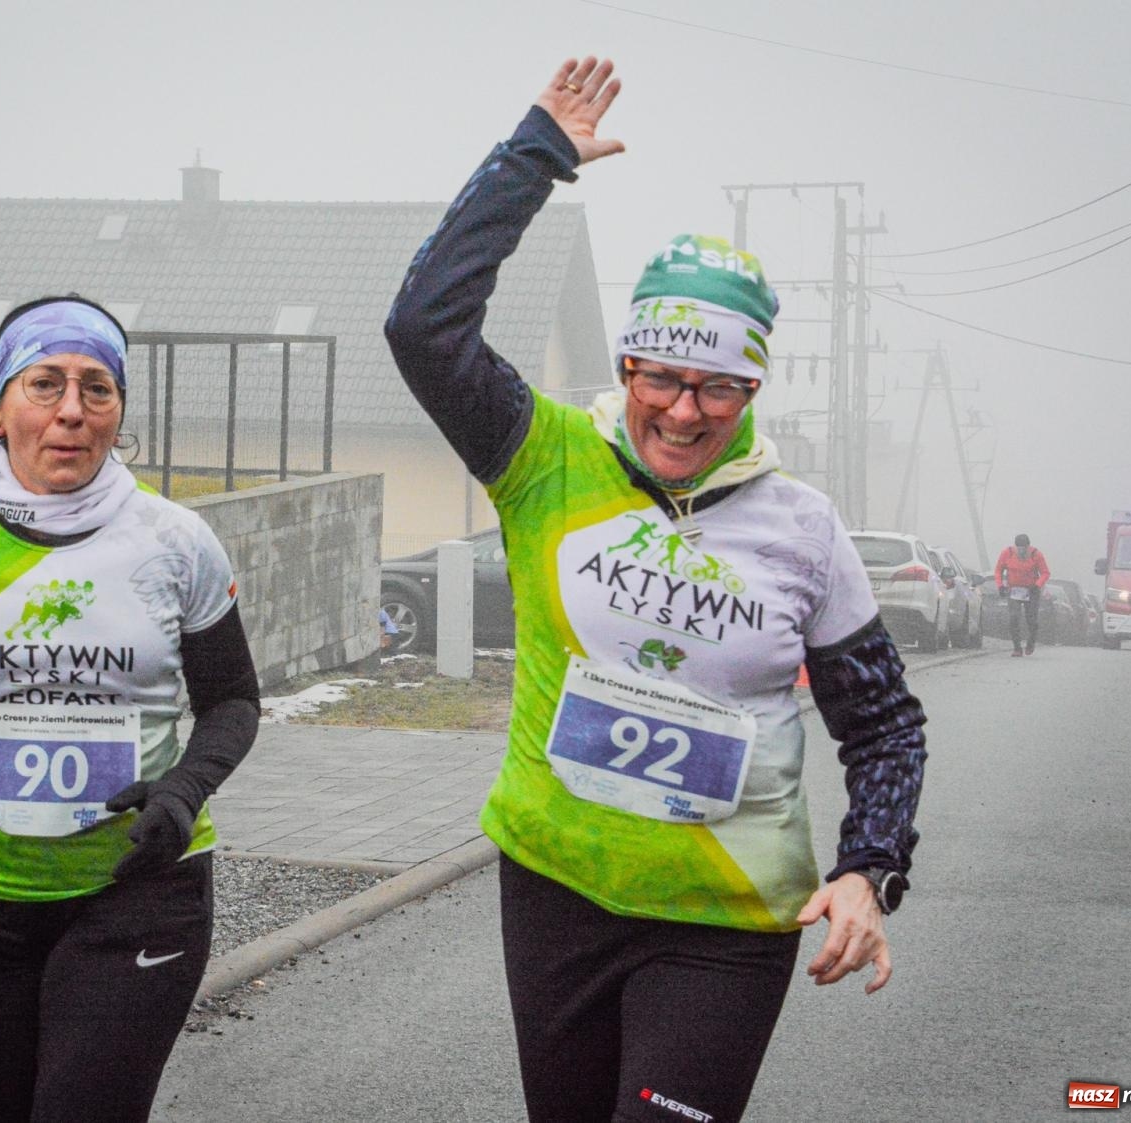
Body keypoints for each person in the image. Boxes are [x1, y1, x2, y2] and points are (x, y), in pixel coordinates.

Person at [385, 58, 927, 1123]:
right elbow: (422, 326)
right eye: (663, 378)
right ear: (627, 367)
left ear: (753, 388)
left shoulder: (804, 530)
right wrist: (532, 157)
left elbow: (886, 729)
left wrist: (868, 870)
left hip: (724, 920)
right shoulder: (539, 455)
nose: (685, 411)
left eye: (719, 385)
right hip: (555, 890)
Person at [0, 295, 260, 1123]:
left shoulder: (176, 542)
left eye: (97, 388)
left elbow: (234, 701)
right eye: (46, 383)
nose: (72, 409)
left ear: (118, 414)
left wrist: (183, 790)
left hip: (137, 889)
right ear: (0, 408)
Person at [995, 532, 1050, 655]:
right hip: (1013, 590)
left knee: (1031, 619)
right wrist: (1000, 586)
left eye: (1024, 548)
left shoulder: (1036, 555)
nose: (1021, 551)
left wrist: (1038, 585)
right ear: (1015, 547)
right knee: (1014, 617)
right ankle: (1017, 647)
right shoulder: (1007, 553)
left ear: (1028, 547)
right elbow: (998, 570)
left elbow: (1045, 573)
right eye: (1018, 548)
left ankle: (1031, 642)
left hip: (1031, 590)